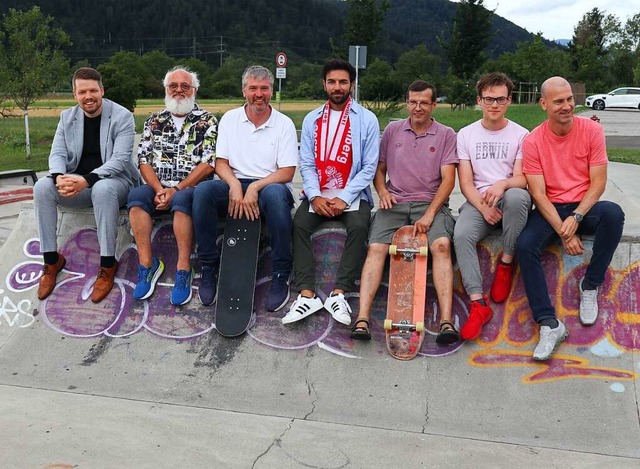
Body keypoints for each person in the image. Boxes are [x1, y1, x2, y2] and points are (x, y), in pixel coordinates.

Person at [516, 76, 625, 361]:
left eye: (569, 100)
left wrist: (576, 218)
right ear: (543, 104)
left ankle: (590, 285)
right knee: (525, 245)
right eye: (558, 101)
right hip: (550, 208)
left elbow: (598, 183)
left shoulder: (591, 131)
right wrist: (565, 232)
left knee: (613, 214)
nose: (567, 106)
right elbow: (538, 194)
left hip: (582, 207)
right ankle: (550, 324)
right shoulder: (533, 140)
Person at [350, 80, 459, 343]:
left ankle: (446, 322)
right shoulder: (393, 130)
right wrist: (383, 193)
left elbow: (448, 180)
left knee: (442, 246)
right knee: (376, 248)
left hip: (429, 203)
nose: (418, 107)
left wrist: (431, 213)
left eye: (424, 102)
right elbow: (379, 169)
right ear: (407, 102)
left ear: (434, 105)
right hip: (395, 202)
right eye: (413, 102)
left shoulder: (446, 134)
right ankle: (362, 319)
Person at [281, 59, 379, 326]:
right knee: (299, 223)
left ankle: (340, 293)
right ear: (324, 84)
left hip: (352, 194)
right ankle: (307, 294)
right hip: (319, 194)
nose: (338, 87)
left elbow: (369, 167)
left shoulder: (367, 119)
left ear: (352, 85)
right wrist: (315, 196)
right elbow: (308, 164)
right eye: (332, 82)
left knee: (360, 226)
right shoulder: (312, 119)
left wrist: (345, 197)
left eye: (343, 82)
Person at [193, 65, 298, 311]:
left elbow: (287, 172)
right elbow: (221, 162)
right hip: (236, 181)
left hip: (270, 184)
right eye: (253, 88)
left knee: (273, 195)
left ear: (271, 90)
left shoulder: (284, 124)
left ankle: (281, 271)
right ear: (244, 91)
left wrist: (255, 188)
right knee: (203, 192)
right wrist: (233, 186)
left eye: (264, 88)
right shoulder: (230, 119)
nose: (258, 94)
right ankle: (208, 266)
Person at [34, 67, 138, 303]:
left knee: (101, 189)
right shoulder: (66, 117)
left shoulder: (122, 116)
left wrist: (86, 180)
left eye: (93, 90)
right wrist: (59, 176)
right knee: (42, 187)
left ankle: (107, 264)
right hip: (79, 183)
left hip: (115, 183)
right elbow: (57, 153)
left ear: (102, 90)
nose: (88, 96)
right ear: (75, 94)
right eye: (82, 92)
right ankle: (51, 261)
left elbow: (120, 160)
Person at [127, 66, 217, 306]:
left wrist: (176, 189)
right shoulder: (154, 121)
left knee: (181, 201)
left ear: (194, 90)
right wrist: (158, 189)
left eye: (185, 86)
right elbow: (143, 160)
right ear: (166, 90)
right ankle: (148, 265)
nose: (179, 91)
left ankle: (183, 268)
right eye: (173, 86)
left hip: (190, 189)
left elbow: (209, 163)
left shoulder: (207, 121)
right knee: (136, 198)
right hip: (158, 186)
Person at [454, 72, 531, 340]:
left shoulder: (521, 134)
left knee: (518, 196)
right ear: (479, 100)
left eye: (500, 99)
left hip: (509, 197)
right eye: (489, 99)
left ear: (509, 101)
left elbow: (522, 179)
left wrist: (502, 184)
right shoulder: (466, 134)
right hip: (478, 202)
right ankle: (478, 304)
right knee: (461, 234)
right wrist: (483, 207)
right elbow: (465, 183)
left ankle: (506, 263)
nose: (494, 105)